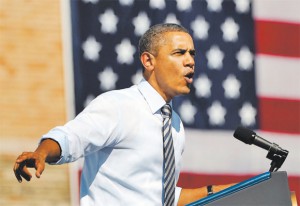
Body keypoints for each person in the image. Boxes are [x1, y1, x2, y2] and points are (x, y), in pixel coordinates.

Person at [13, 23, 232, 206]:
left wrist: (231, 190)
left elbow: (162, 197)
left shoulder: (174, 124)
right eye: (179, 53)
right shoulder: (118, 106)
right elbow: (71, 137)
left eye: (192, 53)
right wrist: (42, 152)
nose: (190, 61)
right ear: (148, 61)